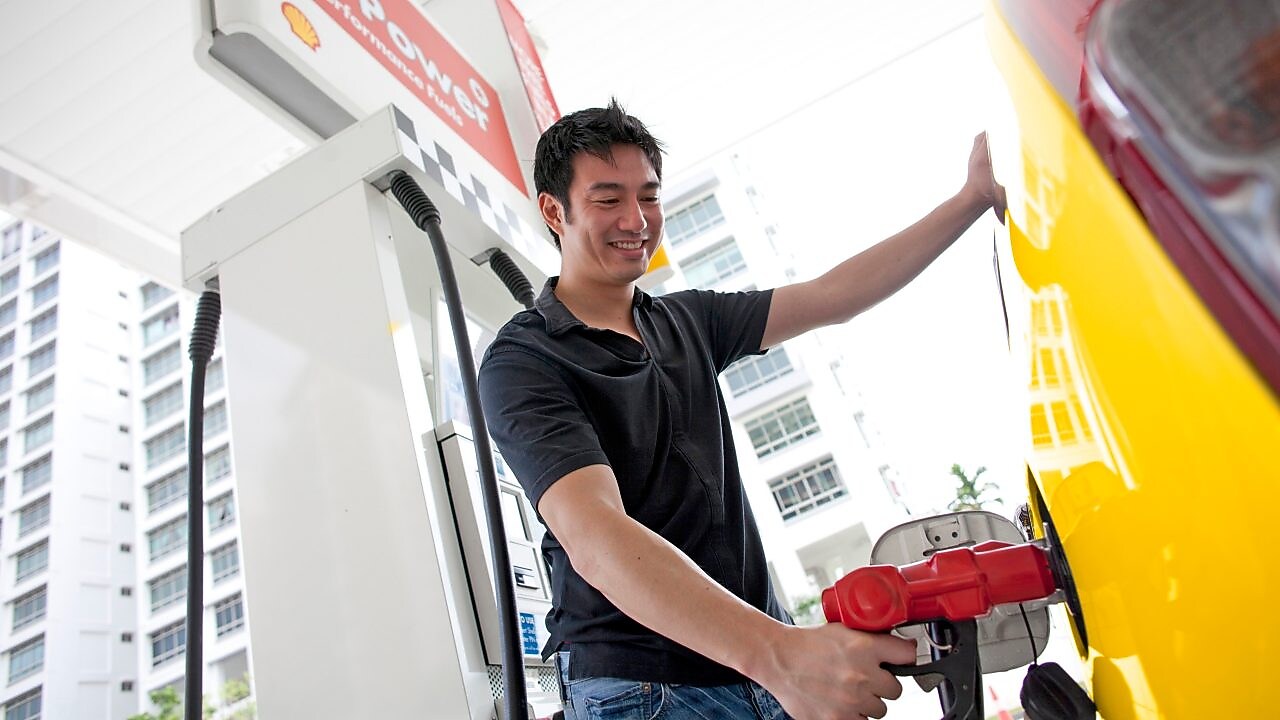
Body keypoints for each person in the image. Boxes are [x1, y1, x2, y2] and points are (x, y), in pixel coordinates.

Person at [477, 100, 1005, 720]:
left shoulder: (683, 321)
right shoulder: (523, 360)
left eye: (648, 196)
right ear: (553, 211)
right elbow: (597, 537)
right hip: (642, 687)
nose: (636, 219)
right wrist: (779, 655)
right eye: (607, 198)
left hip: (756, 662)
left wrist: (970, 201)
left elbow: (833, 296)